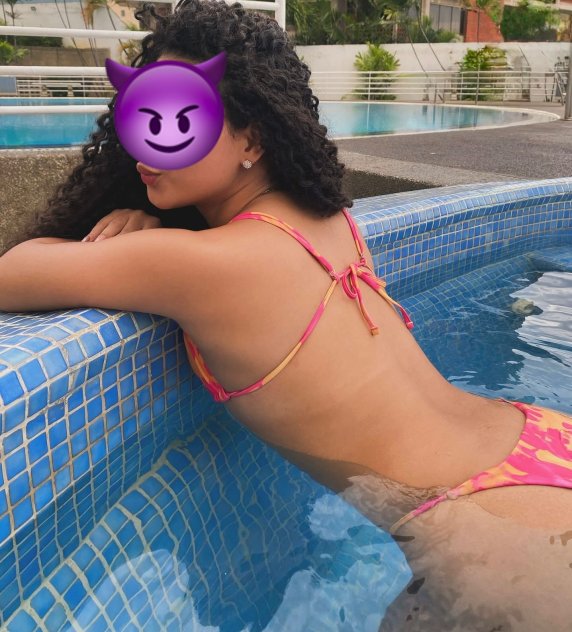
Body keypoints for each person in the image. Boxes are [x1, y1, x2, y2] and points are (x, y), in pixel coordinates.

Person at [2, 1, 572, 629]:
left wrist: (140, 235)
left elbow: (12, 272)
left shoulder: (198, 264)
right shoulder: (332, 219)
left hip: (490, 531)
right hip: (537, 442)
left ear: (252, 138)